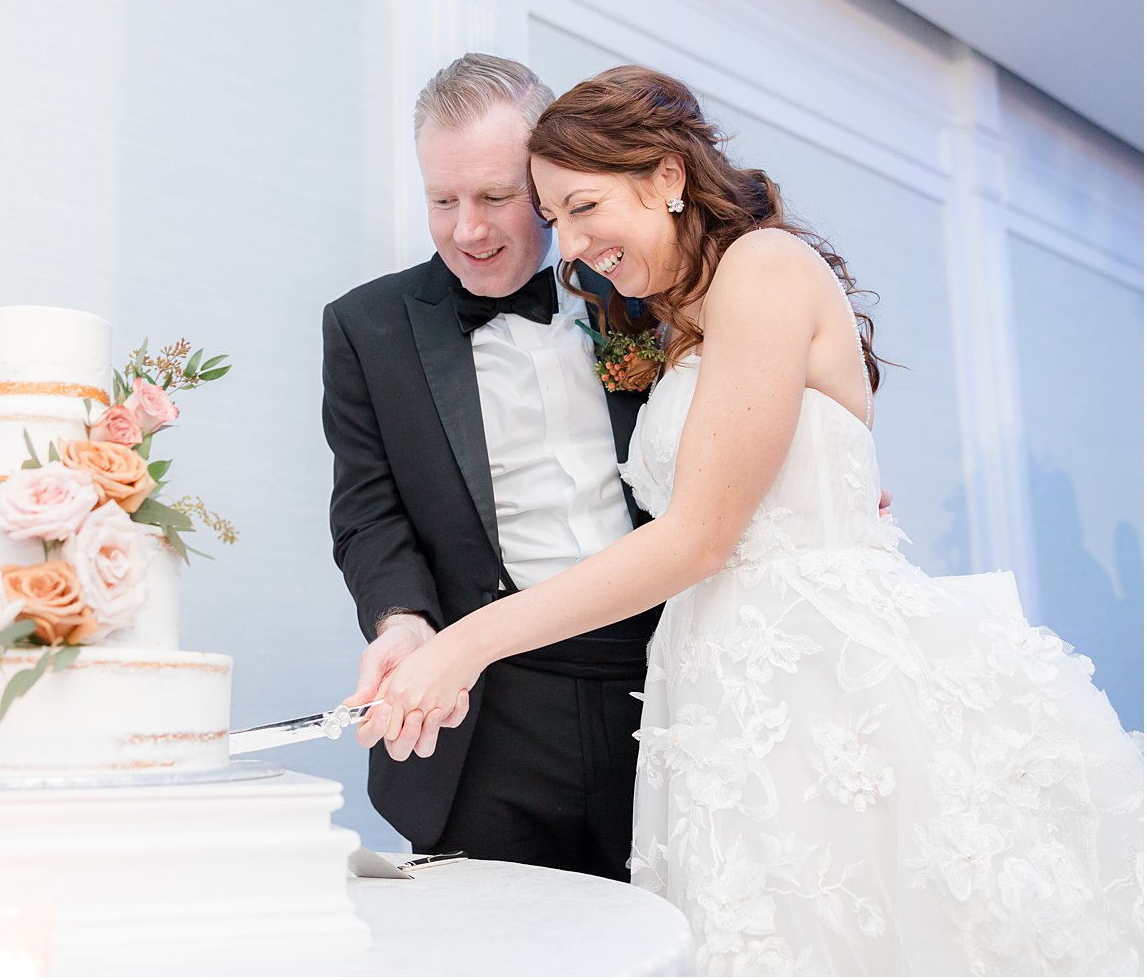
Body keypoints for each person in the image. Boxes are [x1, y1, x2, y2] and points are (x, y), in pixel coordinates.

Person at [371, 65, 1144, 975]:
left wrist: (469, 642)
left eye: (581, 208)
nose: (571, 249)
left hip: (825, 684)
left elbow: (701, 532)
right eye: (559, 220)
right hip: (719, 694)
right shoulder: (672, 319)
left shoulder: (764, 267)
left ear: (666, 176)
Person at [320, 53, 664, 881]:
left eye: (496, 197)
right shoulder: (367, 327)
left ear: (546, 185)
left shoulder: (647, 292)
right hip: (487, 709)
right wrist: (401, 622)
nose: (467, 229)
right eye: (443, 199)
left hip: (665, 682)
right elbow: (369, 512)